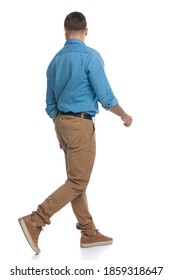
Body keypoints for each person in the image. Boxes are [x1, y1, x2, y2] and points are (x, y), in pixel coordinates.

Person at [18, 11, 132, 254]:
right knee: (78, 181)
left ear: (65, 31)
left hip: (62, 124)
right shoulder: (90, 56)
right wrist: (124, 115)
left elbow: (49, 103)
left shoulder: (55, 61)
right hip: (80, 124)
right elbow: (106, 97)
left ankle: (88, 232)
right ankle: (36, 219)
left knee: (76, 181)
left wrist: (60, 122)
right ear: (86, 31)